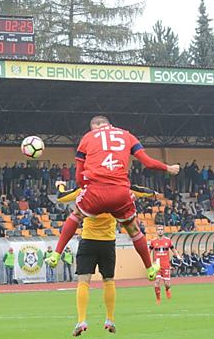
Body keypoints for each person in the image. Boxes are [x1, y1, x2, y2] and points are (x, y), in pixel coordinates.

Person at [45, 116, 180, 282]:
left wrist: (86, 186)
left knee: (75, 215)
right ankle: (150, 269)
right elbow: (148, 163)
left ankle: (56, 254)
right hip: (120, 193)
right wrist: (169, 168)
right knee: (134, 231)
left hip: (95, 193)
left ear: (94, 127)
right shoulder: (127, 135)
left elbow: (79, 178)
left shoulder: (87, 138)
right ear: (109, 124)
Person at [56, 182, 133, 336]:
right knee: (108, 280)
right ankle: (110, 319)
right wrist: (153, 193)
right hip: (108, 242)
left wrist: (61, 186)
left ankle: (81, 320)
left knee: (84, 281)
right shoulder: (117, 192)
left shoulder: (85, 190)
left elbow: (61, 198)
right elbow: (138, 192)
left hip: (88, 240)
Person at [149, 224, 181, 304]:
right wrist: (147, 261)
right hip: (157, 265)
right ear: (156, 231)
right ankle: (158, 299)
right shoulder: (153, 242)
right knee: (157, 282)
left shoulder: (168, 240)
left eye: (161, 229)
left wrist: (178, 256)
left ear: (163, 231)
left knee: (167, 284)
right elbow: (148, 251)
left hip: (166, 265)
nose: (160, 231)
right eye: (158, 229)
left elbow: (173, 249)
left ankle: (167, 289)